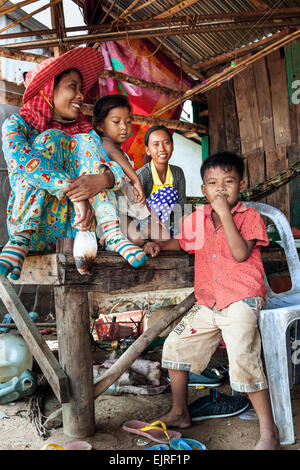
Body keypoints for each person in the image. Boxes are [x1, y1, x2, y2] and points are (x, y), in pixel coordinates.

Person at [150, 151, 280, 450]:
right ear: (203, 190)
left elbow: (240, 253)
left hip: (241, 300)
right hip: (208, 303)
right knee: (174, 345)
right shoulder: (197, 219)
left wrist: (224, 214)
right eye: (212, 183)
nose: (220, 189)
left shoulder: (250, 217)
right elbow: (181, 243)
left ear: (241, 184)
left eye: (228, 181)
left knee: (243, 359)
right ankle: (181, 412)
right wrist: (156, 245)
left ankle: (268, 430)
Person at [0, 48, 147, 281]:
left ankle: (112, 234)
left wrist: (104, 178)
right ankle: (19, 237)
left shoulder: (85, 133)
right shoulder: (16, 125)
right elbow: (24, 162)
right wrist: (78, 196)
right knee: (52, 139)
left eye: (81, 89)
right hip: (35, 230)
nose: (81, 95)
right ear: (49, 88)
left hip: (79, 232)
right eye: (73, 87)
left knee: (87, 141)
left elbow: (116, 165)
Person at [126, 125, 187, 255]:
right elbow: (136, 209)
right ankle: (151, 242)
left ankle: (158, 245)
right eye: (156, 144)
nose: (162, 149)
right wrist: (156, 222)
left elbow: (181, 207)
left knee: (184, 243)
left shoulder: (178, 173)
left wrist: (184, 233)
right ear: (148, 150)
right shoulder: (142, 175)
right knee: (169, 193)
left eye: (166, 143)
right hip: (144, 222)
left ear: (173, 146)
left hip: (167, 225)